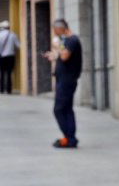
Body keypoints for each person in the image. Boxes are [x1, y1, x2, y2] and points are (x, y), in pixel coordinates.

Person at [44, 18, 83, 149]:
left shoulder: (72, 40)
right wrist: (53, 55)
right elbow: (62, 56)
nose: (55, 33)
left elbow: (65, 56)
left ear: (61, 29)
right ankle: (69, 138)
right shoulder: (66, 41)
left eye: (55, 31)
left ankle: (69, 138)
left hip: (67, 81)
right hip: (64, 80)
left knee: (59, 109)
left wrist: (57, 46)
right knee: (66, 109)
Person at [0, 19, 20, 94]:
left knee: (1, 73)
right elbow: (18, 45)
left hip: (1, 57)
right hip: (10, 57)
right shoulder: (13, 35)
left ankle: (1, 90)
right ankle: (9, 90)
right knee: (9, 74)